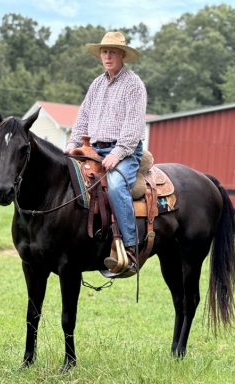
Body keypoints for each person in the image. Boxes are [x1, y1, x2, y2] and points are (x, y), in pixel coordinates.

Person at [64, 31, 147, 276]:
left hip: (124, 150)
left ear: (123, 55)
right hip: (93, 149)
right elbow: (83, 118)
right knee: (70, 182)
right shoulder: (97, 84)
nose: (107, 56)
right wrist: (73, 143)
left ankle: (131, 248)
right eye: (104, 51)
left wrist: (119, 153)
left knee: (115, 186)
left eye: (112, 51)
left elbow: (133, 126)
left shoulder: (134, 85)